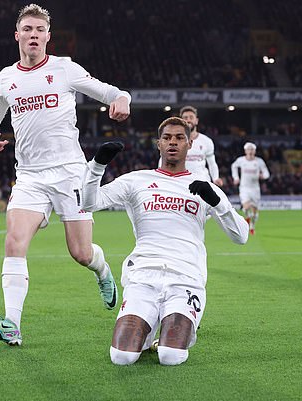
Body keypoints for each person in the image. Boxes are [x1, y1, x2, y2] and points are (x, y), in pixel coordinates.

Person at [0, 4, 131, 346]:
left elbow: (110, 91)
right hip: (30, 176)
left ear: (48, 36)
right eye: (27, 29)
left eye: (39, 30)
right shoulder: (7, 77)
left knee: (80, 253)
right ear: (17, 35)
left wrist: (122, 99)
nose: (33, 35)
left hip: (70, 175)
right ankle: (12, 326)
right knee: (14, 242)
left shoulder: (64, 69)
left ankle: (102, 269)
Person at [81, 117, 249, 366]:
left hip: (186, 278)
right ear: (158, 143)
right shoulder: (136, 180)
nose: (173, 142)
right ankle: (149, 330)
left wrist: (217, 201)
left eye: (180, 138)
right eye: (167, 138)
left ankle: (169, 327)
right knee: (122, 357)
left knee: (171, 356)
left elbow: (241, 236)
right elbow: (89, 203)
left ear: (189, 144)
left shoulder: (203, 187)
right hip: (143, 277)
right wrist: (97, 166)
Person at [160, 106, 223, 186]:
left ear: (196, 121)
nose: (188, 120)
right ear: (181, 121)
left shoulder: (207, 141)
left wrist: (215, 178)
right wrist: (162, 178)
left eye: (191, 117)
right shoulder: (173, 141)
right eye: (185, 118)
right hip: (180, 183)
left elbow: (212, 163)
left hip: (202, 183)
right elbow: (163, 160)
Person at [230, 142, 270, 235]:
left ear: (255, 151)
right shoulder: (241, 160)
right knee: (246, 206)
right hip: (244, 188)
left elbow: (266, 173)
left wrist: (263, 176)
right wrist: (236, 178)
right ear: (245, 151)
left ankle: (252, 225)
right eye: (249, 149)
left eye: (252, 149)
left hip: (255, 189)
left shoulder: (259, 161)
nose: (250, 151)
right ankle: (248, 219)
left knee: (255, 211)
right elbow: (233, 166)